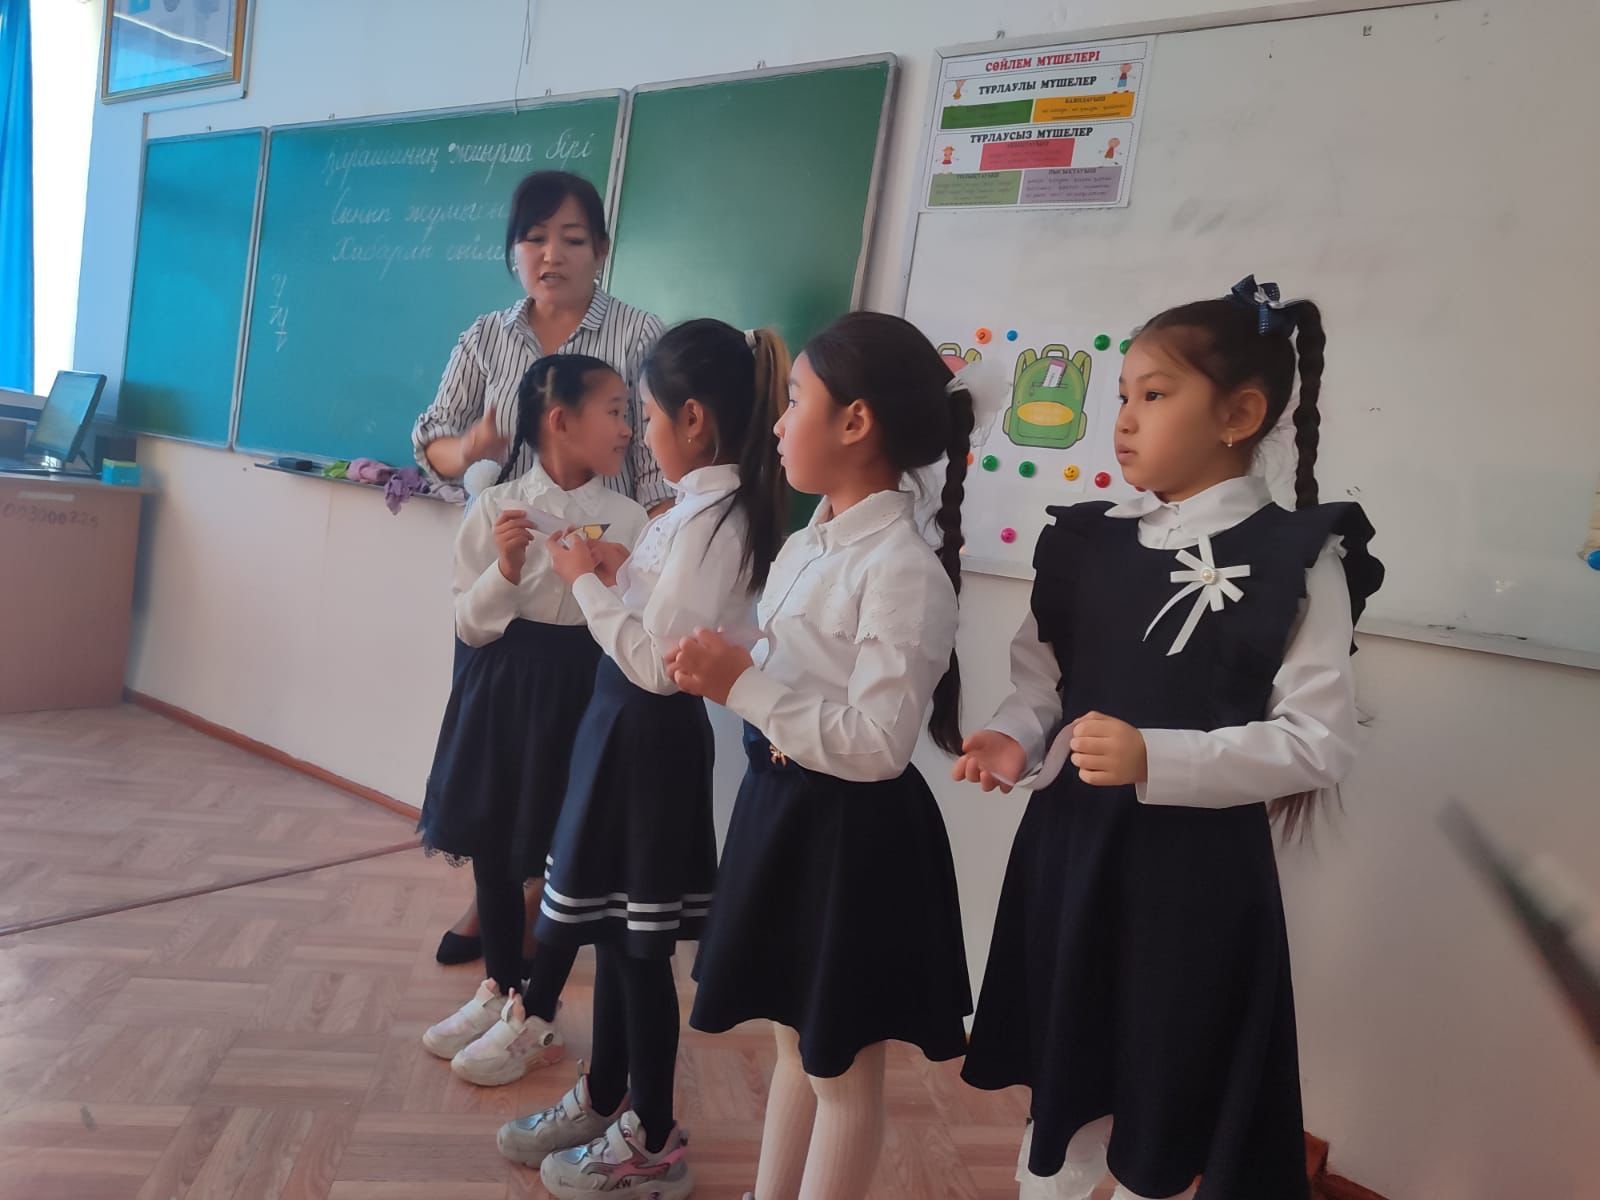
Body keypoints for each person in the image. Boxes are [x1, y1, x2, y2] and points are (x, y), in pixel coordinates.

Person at [954, 277, 1384, 1200]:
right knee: (1065, 1095)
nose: (1123, 419)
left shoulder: (1299, 558)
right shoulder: (1086, 543)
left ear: (1240, 415)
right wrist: (1012, 738)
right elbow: (1044, 686)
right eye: (1122, 395)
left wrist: (1158, 757)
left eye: (1153, 394)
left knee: (1163, 1096)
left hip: (1191, 890)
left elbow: (1319, 740)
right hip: (1071, 858)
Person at [670, 312, 976, 1200]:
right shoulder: (812, 540)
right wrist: (732, 662)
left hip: (854, 838)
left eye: (796, 399)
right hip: (784, 812)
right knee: (794, 1045)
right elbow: (797, 665)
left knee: (837, 1064)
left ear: (856, 422)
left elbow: (878, 745)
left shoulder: (903, 569)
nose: (777, 421)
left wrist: (743, 687)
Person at [411, 169, 672, 966]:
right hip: (504, 576)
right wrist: (474, 447)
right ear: (513, 250)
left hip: (593, 590)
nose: (551, 254)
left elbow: (657, 470)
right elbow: (431, 445)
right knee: (496, 767)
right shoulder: (486, 337)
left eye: (572, 238)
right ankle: (501, 903)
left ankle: (532, 907)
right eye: (534, 238)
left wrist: (650, 570)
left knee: (569, 763)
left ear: (601, 249)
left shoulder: (638, 335)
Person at [416, 355, 648, 1085]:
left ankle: (535, 1008)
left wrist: (611, 568)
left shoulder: (633, 519)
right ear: (560, 421)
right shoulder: (496, 508)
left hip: (587, 690)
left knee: (565, 853)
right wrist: (508, 568)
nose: (629, 428)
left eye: (629, 412)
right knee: (493, 837)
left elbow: (635, 620)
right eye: (615, 411)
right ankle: (501, 986)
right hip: (505, 688)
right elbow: (469, 623)